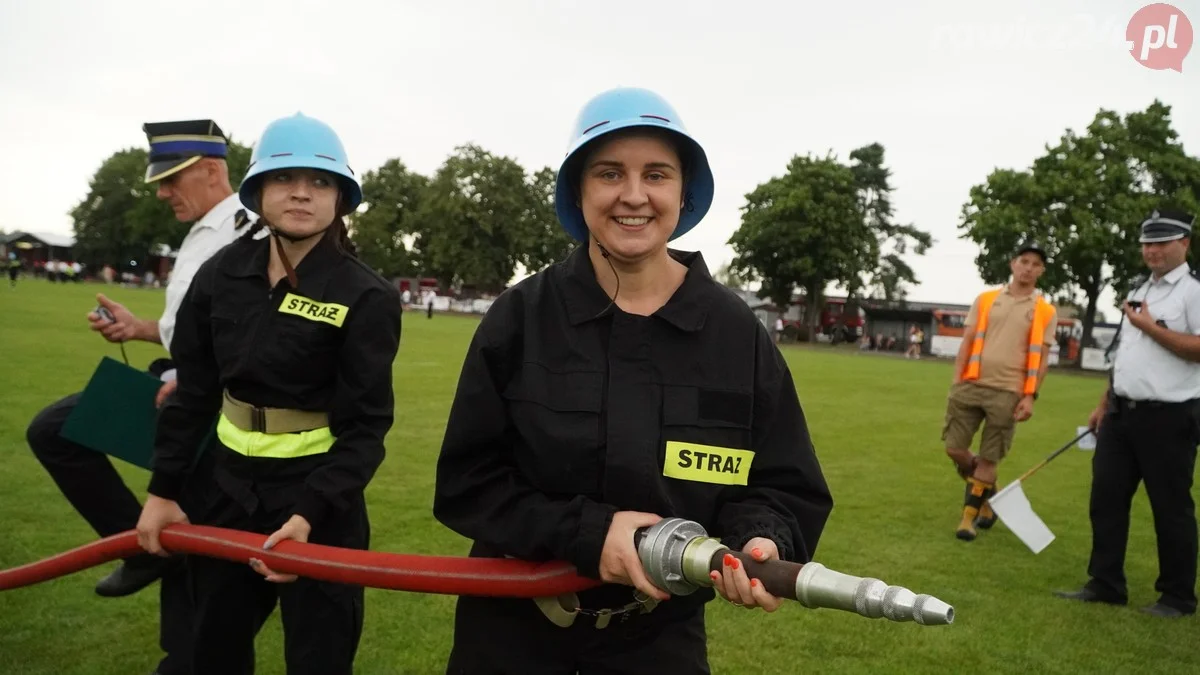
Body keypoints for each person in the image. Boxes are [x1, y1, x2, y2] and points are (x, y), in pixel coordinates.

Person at [432, 87, 833, 674]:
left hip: (658, 643)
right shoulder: (520, 318)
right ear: (579, 190)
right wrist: (590, 533)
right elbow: (468, 484)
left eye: (657, 174)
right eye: (610, 173)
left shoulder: (735, 333)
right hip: (510, 634)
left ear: (683, 192)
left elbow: (782, 484)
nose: (634, 195)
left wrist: (762, 538)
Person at [134, 112, 402, 675]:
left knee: (319, 660)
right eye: (284, 179)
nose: (301, 193)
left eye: (320, 181)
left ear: (340, 198)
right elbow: (195, 393)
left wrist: (310, 514)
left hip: (320, 508)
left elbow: (365, 428)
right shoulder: (219, 275)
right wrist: (163, 491)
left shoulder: (366, 297)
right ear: (257, 191)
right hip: (225, 494)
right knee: (211, 653)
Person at [25, 118, 251, 675]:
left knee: (56, 430)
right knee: (56, 430)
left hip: (199, 408)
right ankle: (150, 556)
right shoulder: (209, 228)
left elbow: (252, 333)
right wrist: (141, 329)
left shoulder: (247, 232)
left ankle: (146, 556)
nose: (160, 191)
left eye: (172, 179)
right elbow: (192, 327)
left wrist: (201, 377)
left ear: (213, 171)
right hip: (176, 391)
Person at [1056, 209, 1200, 618]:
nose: (1152, 251)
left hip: (1170, 417)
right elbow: (1127, 354)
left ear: (1184, 243)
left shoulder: (1193, 290)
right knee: (1106, 500)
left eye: (1162, 242)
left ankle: (1176, 596)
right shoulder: (1143, 287)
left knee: (1170, 508)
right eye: (1146, 244)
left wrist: (1151, 326)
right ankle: (1105, 583)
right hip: (1121, 415)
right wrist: (1104, 403)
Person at [942, 240, 1057, 541]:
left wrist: (1031, 395)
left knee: (990, 458)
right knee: (954, 448)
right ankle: (988, 495)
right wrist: (957, 380)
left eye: (1035, 264)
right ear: (1013, 264)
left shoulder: (1045, 310)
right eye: (1024, 261)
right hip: (971, 383)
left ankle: (968, 519)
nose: (1028, 268)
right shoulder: (986, 298)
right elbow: (967, 340)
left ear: (1041, 270)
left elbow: (1043, 358)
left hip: (1009, 392)